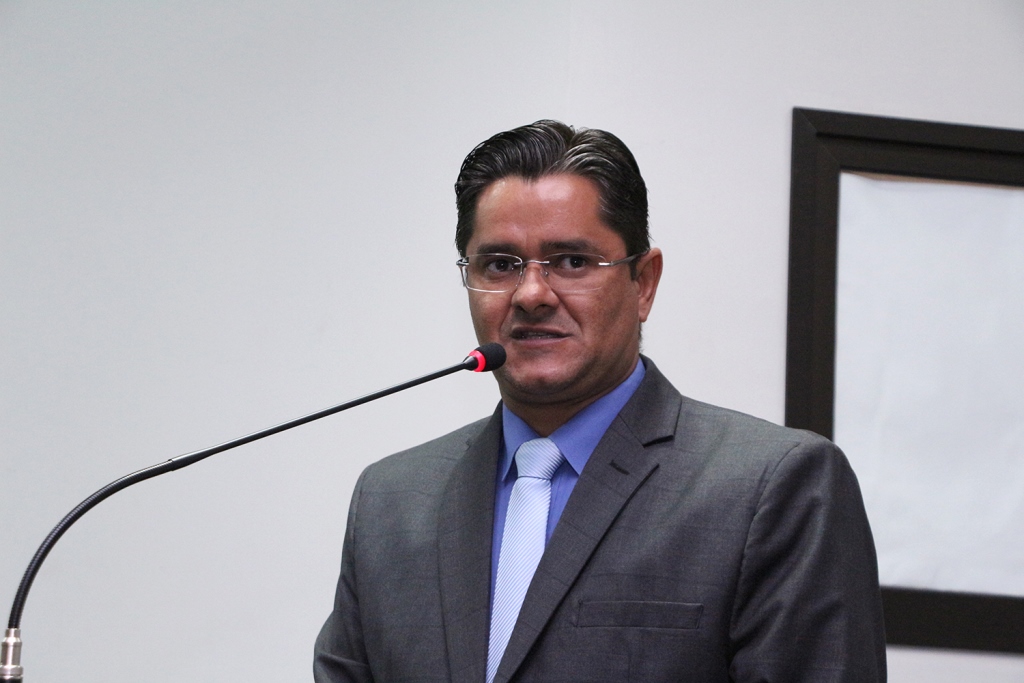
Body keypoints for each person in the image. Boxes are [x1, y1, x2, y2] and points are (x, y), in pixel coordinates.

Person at [314, 120, 886, 682]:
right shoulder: (392, 503)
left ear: (644, 283)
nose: (532, 294)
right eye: (501, 265)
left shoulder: (771, 487)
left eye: (572, 261)